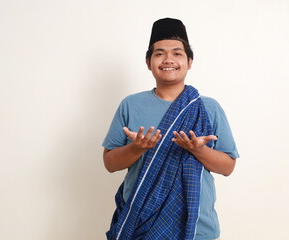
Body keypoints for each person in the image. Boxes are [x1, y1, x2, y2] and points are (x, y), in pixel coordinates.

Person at [102, 18, 239, 240]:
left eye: (177, 53)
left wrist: (199, 150)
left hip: (196, 226)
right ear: (148, 62)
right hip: (141, 222)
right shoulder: (131, 105)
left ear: (189, 61)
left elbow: (228, 167)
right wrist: (137, 148)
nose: (168, 60)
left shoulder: (207, 107)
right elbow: (110, 163)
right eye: (159, 53)